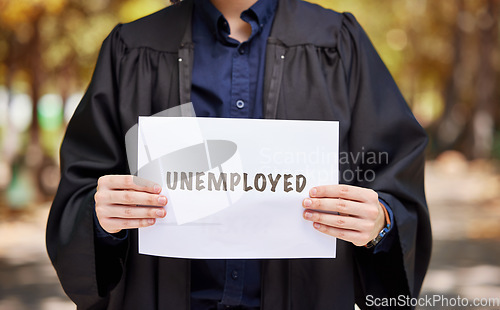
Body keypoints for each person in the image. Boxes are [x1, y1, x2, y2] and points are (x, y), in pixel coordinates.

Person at [46, 0, 432, 309]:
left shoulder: (338, 43)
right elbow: (82, 195)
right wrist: (101, 218)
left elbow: (394, 178)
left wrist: (380, 222)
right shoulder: (132, 48)